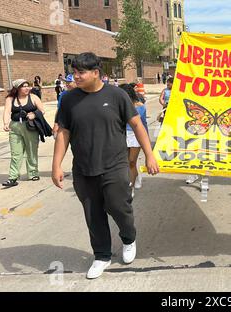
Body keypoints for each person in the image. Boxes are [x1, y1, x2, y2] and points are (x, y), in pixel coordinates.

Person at [52, 52, 159, 279]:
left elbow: (137, 126)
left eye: (81, 72)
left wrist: (149, 155)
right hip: (83, 169)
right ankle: (102, 255)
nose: (76, 76)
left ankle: (128, 238)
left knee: (119, 207)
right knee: (93, 214)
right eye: (74, 72)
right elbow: (64, 132)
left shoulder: (117, 95)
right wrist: (56, 165)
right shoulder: (69, 99)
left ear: (96, 73)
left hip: (115, 165)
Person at [2, 79, 45, 187]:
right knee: (15, 153)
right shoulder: (10, 99)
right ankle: (13, 177)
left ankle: (33, 173)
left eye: (28, 86)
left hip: (30, 126)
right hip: (15, 127)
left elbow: (42, 110)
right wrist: (6, 123)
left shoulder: (33, 97)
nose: (27, 88)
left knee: (31, 151)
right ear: (17, 88)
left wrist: (34, 115)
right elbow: (7, 111)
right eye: (24, 86)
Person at [119, 83, 149, 198]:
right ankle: (136, 175)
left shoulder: (140, 106)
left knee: (131, 161)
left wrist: (145, 142)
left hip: (135, 136)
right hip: (122, 135)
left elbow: (142, 125)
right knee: (126, 162)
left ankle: (130, 188)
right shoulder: (118, 106)